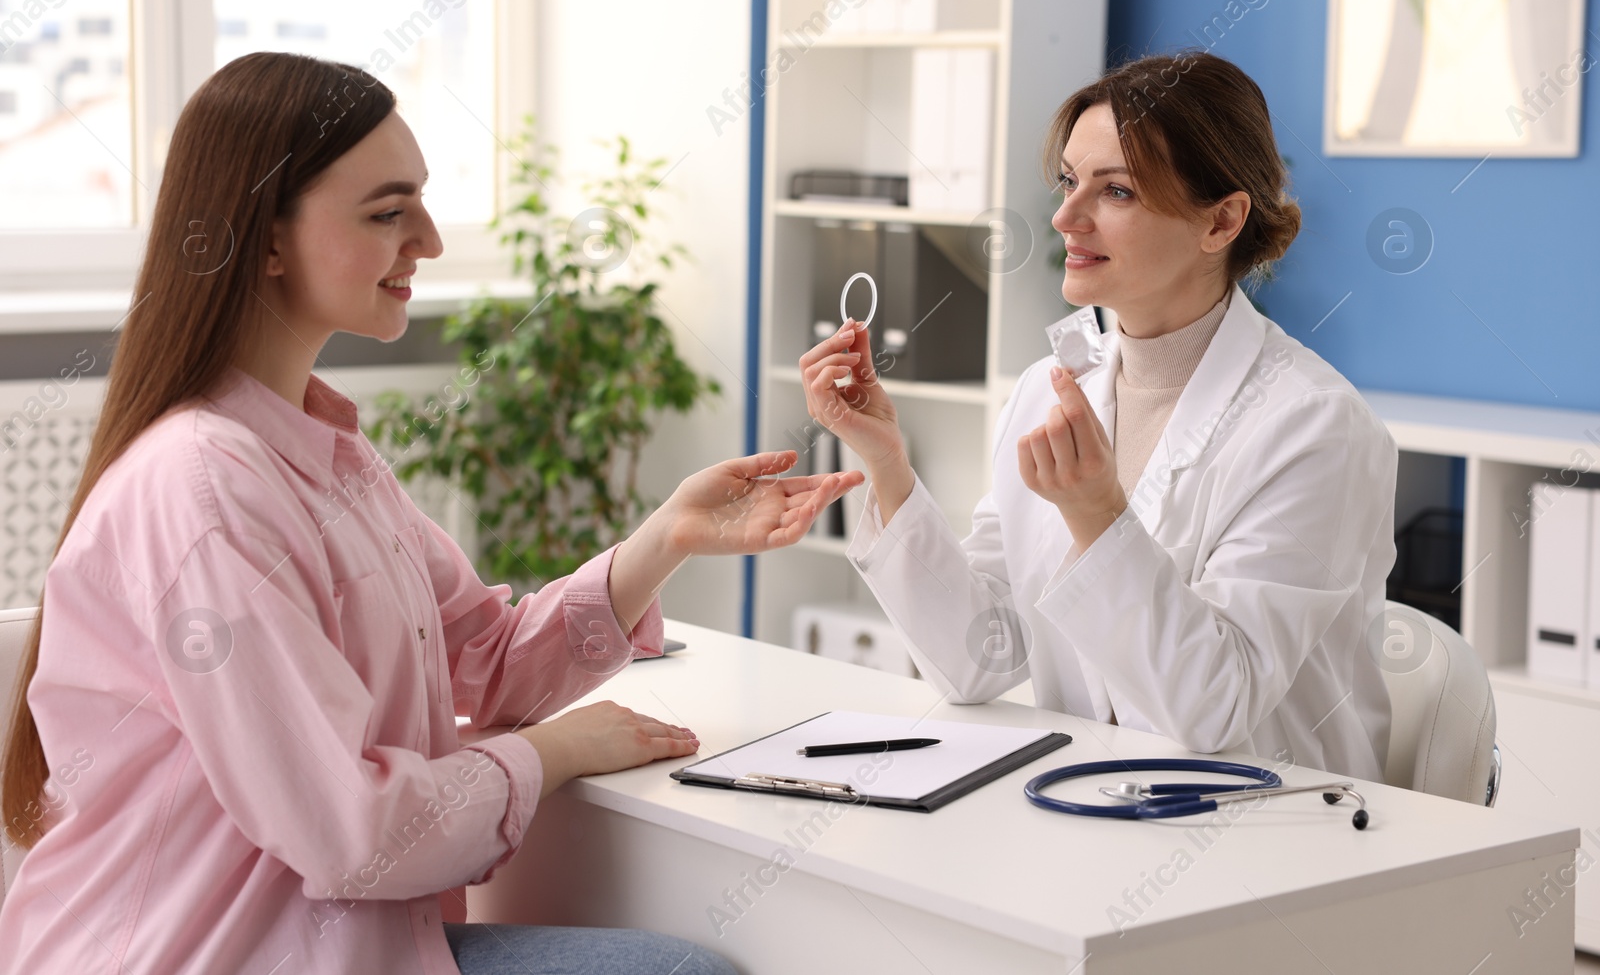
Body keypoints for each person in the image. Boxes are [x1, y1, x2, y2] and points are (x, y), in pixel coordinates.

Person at [0, 52, 860, 974]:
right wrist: (555, 752)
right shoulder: (204, 491)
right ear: (267, 239)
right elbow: (349, 829)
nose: (432, 239)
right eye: (387, 211)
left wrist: (666, 539)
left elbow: (487, 662)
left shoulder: (329, 459)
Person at [799, 50, 1395, 782]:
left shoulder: (1315, 427)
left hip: (1272, 833)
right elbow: (977, 658)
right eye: (1068, 181)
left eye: (1115, 190)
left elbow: (1214, 707)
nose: (1064, 217)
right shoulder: (1046, 393)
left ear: (1222, 221)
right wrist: (886, 463)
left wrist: (1098, 516)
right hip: (1083, 806)